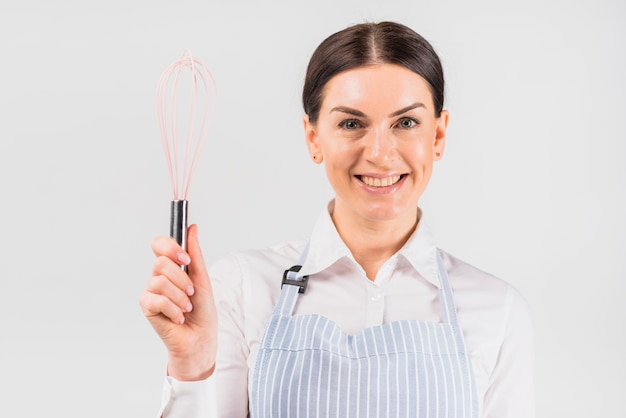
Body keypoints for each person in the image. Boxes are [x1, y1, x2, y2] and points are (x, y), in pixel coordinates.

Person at [140, 21, 535, 418]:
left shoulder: (497, 311)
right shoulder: (243, 288)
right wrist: (191, 366)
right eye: (351, 124)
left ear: (438, 136)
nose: (380, 153)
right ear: (313, 138)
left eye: (406, 123)